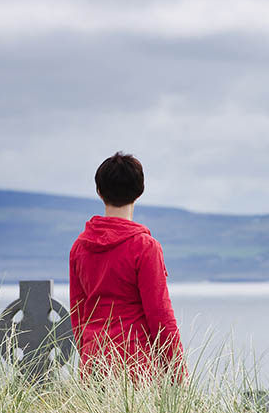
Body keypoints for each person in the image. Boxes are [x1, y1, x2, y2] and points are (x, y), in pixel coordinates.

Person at [69, 152, 187, 381]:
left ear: (99, 192)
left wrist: (87, 357)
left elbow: (78, 315)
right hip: (137, 367)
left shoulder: (79, 247)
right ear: (140, 191)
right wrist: (178, 375)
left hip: (93, 365)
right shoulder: (145, 247)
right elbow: (160, 317)